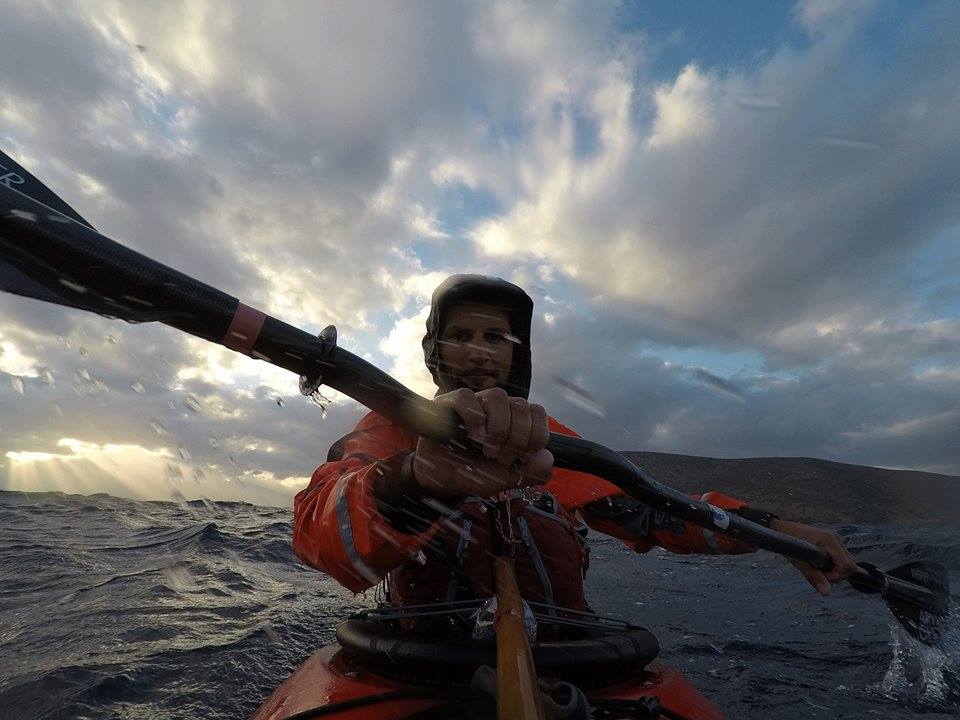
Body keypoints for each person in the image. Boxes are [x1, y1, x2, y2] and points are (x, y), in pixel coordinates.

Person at [293, 274, 855, 614]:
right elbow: (319, 529)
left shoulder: (551, 439)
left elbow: (650, 513)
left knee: (538, 514)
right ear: (436, 351)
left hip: (562, 651)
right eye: (461, 336)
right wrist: (414, 480)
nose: (479, 351)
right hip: (421, 650)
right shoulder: (389, 426)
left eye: (495, 336)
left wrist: (775, 530)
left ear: (517, 353)